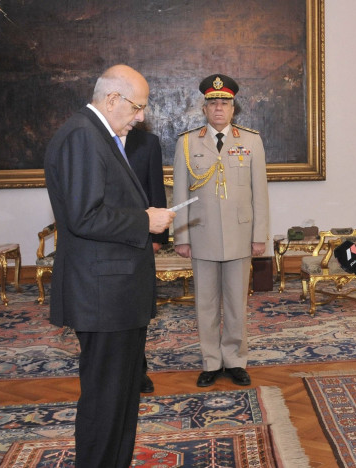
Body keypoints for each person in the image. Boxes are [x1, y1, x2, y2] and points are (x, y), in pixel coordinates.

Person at [44, 64, 175, 467]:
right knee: (105, 403)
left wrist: (141, 213)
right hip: (104, 296)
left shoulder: (96, 134)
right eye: (137, 108)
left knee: (119, 399)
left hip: (113, 294)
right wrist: (145, 221)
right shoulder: (84, 136)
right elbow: (85, 216)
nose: (140, 118)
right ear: (112, 99)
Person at [173, 74, 269, 388]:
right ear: (204, 107)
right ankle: (211, 362)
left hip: (241, 235)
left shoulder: (251, 141)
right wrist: (182, 236)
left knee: (236, 303)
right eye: (213, 103)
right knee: (205, 303)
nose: (218, 109)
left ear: (233, 108)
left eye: (224, 103)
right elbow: (180, 195)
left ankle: (235, 360)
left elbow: (260, 193)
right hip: (201, 235)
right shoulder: (187, 143)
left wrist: (259, 235)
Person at [123, 125, 169, 394]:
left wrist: (157, 238)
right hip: (103, 237)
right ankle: (115, 371)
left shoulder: (147, 143)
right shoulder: (94, 139)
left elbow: (155, 189)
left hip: (140, 238)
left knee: (137, 307)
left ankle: (138, 369)